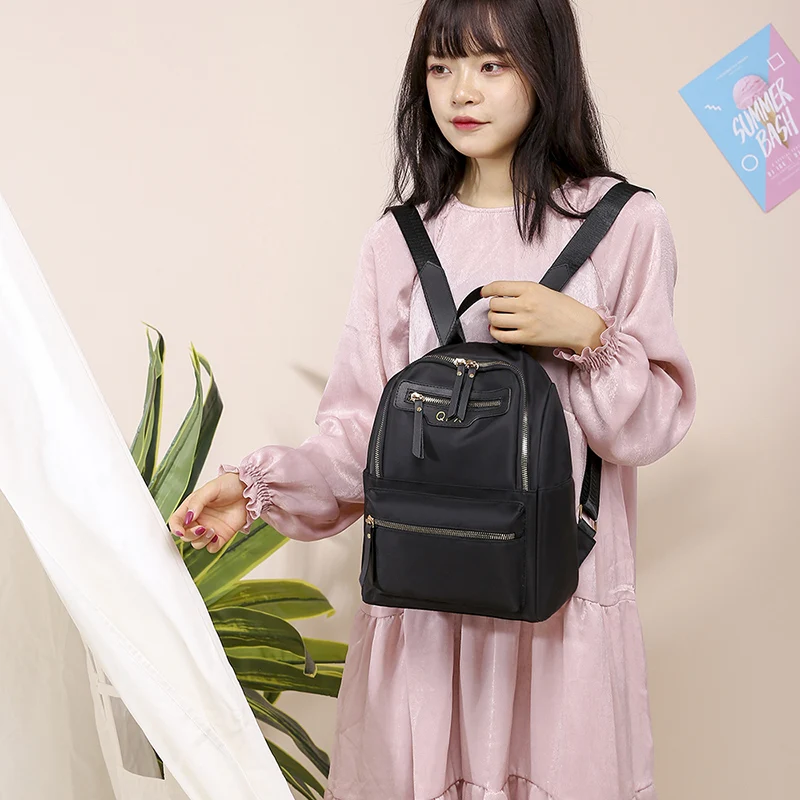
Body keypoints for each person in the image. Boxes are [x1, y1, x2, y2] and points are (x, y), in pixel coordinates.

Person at [168, 1, 697, 798]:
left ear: (546, 67)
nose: (461, 92)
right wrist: (256, 489)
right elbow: (360, 434)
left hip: (559, 612)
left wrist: (588, 334)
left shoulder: (625, 225)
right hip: (426, 617)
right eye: (441, 67)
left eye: (491, 65)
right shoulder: (399, 241)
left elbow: (648, 428)